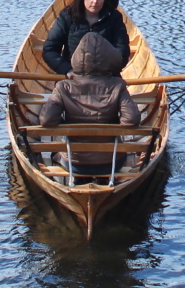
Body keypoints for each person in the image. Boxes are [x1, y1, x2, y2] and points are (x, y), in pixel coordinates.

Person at [37, 31, 140, 183]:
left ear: (76, 59)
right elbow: (132, 119)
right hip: (110, 162)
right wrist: (115, 124)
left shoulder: (63, 87)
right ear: (109, 59)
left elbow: (46, 120)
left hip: (74, 162)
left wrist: (65, 123)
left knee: (57, 152)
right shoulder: (117, 86)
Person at [41, 0, 131, 75]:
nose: (95, 1)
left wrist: (108, 71)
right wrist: (67, 70)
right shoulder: (67, 16)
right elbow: (50, 50)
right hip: (73, 77)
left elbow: (122, 53)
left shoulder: (114, 17)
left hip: (106, 78)